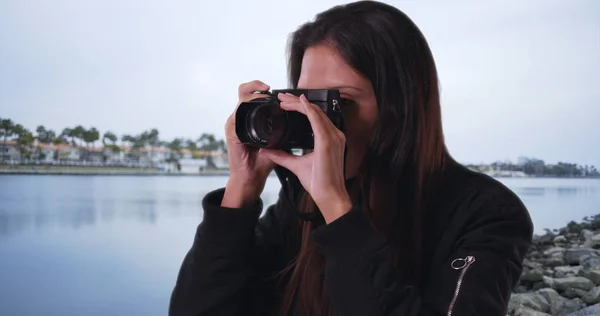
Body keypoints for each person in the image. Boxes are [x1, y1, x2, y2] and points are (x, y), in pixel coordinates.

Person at [169, 1, 534, 315]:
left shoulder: (487, 214)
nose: (318, 123)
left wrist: (338, 213)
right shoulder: (299, 204)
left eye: (337, 103)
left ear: (401, 108)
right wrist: (240, 193)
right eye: (307, 101)